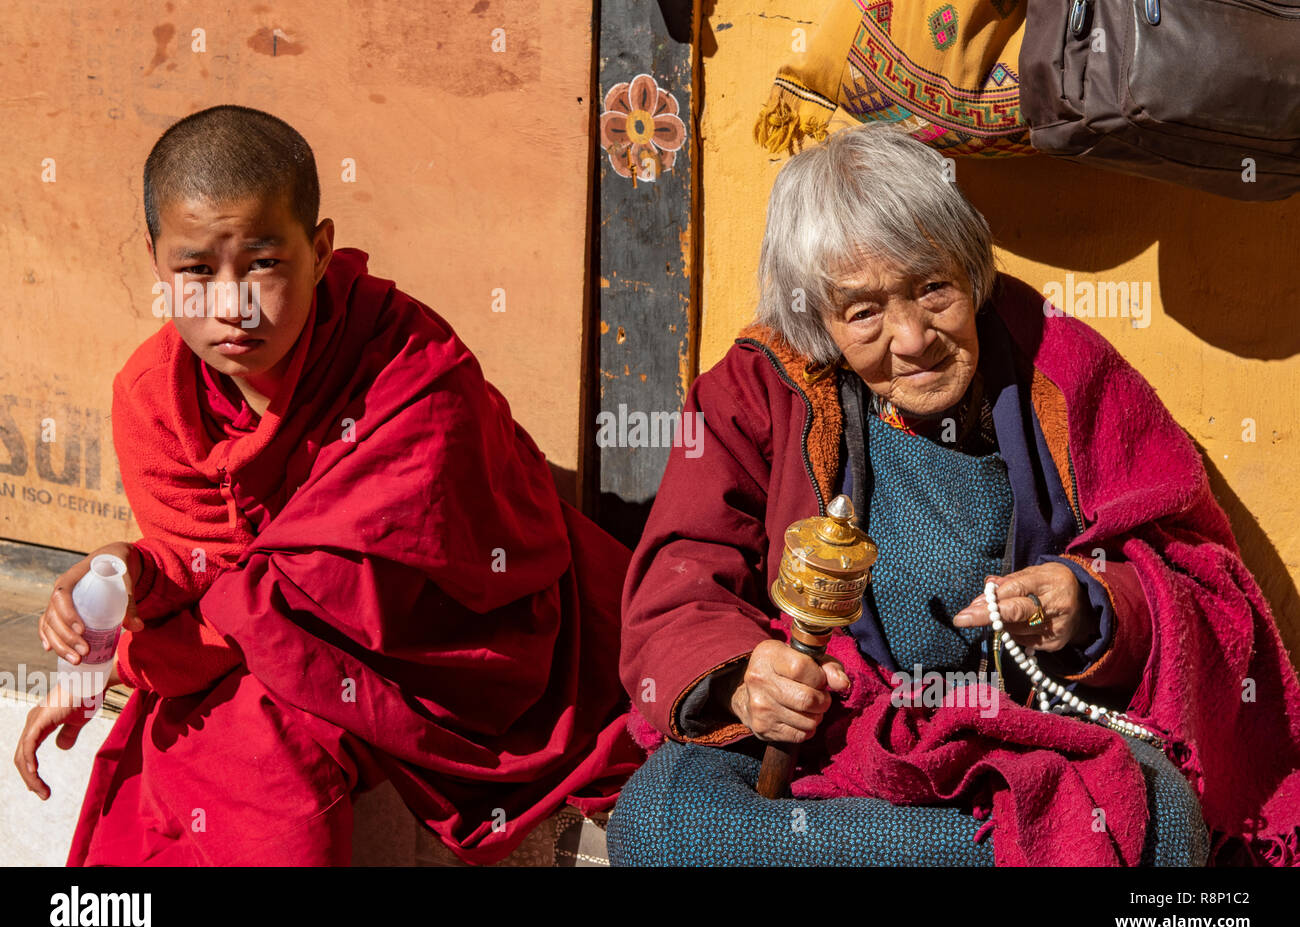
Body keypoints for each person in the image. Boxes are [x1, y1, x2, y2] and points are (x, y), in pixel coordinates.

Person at [608, 122, 1300, 866]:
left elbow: (1199, 580)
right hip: (829, 739)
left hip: (1023, 744)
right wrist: (748, 680)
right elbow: (680, 582)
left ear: (970, 272)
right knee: (658, 820)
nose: (912, 337)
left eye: (932, 287)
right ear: (817, 319)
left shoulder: (1056, 360)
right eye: (864, 312)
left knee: (1158, 822)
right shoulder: (755, 391)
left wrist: (1089, 601)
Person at [12, 104, 641, 866]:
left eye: (263, 264)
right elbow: (213, 570)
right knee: (233, 743)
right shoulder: (153, 397)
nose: (230, 305)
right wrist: (123, 579)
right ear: (155, 261)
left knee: (248, 734)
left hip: (441, 648)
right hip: (281, 650)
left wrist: (136, 657)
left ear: (318, 250)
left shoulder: (405, 364)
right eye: (196, 271)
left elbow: (362, 592)